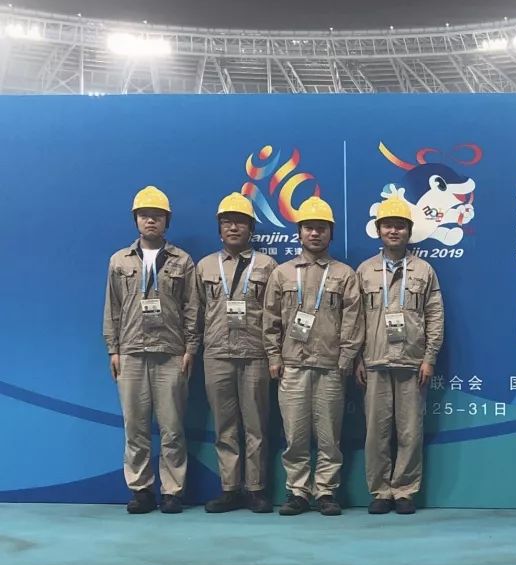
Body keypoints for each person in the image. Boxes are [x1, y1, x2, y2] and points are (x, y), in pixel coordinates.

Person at [263, 196, 362, 516]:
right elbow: (270, 319)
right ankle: (298, 491)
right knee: (295, 435)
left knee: (330, 436)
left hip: (331, 366)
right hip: (292, 366)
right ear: (299, 232)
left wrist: (346, 358)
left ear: (331, 233)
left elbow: (353, 320)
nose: (315, 234)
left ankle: (326, 491)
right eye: (309, 228)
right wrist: (274, 357)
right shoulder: (282, 273)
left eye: (321, 228)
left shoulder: (344, 274)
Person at [103, 185, 198, 514]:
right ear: (136, 220)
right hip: (131, 353)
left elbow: (192, 308)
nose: (151, 221)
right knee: (135, 428)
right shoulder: (119, 261)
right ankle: (141, 490)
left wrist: (190, 348)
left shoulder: (182, 260)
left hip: (171, 354)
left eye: (157, 216)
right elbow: (112, 308)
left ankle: (172, 491)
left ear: (167, 221)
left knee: (172, 428)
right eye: (144, 215)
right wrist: (113, 349)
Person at [355, 196, 444, 515]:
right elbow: (354, 319)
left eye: (400, 226)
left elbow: (435, 315)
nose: (394, 231)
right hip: (374, 362)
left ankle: (405, 491)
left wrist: (429, 357)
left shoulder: (424, 270)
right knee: (375, 432)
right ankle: (381, 491)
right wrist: (356, 358)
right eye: (388, 226)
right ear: (379, 230)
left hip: (412, 362)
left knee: (409, 431)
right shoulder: (365, 270)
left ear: (409, 231)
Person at [196, 193, 278, 513]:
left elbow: (275, 314)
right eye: (227, 222)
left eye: (240, 222)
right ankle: (229, 489)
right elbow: (195, 312)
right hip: (217, 354)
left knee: (256, 426)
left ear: (251, 229)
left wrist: (273, 354)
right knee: (225, 426)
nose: (233, 227)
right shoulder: (204, 266)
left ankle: (256, 489)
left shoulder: (268, 266)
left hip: (255, 353)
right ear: (219, 229)